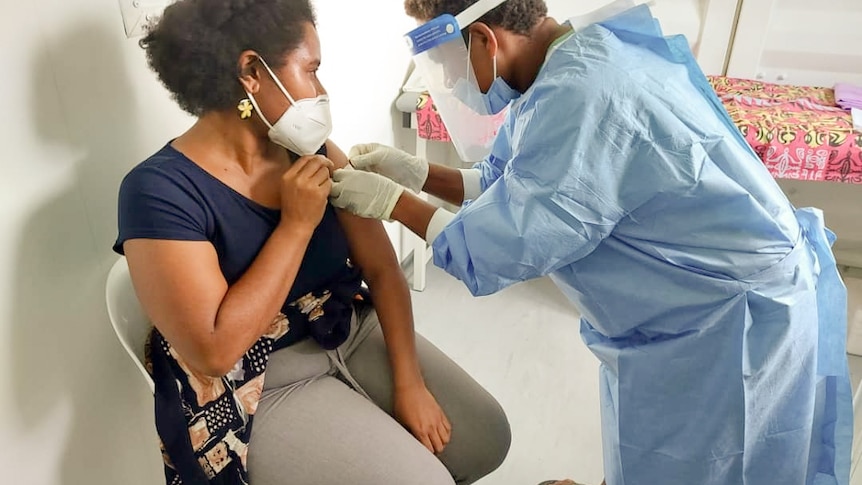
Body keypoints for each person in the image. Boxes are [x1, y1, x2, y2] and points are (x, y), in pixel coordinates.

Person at [328, 0, 853, 484]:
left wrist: (390, 201)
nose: (448, 78)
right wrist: (417, 174)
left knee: (713, 466)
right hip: (689, 315)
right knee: (658, 454)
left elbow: (504, 244)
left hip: (733, 328)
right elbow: (513, 185)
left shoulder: (584, 93)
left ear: (486, 40)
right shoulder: (568, 64)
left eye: (446, 61)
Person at [113, 0, 511, 484]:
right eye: (311, 70)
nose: (321, 91)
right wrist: (295, 227)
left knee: (487, 439)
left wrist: (409, 383)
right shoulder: (158, 191)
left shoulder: (310, 148)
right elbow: (214, 353)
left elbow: (383, 271)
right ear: (251, 72)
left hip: (343, 327)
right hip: (260, 380)